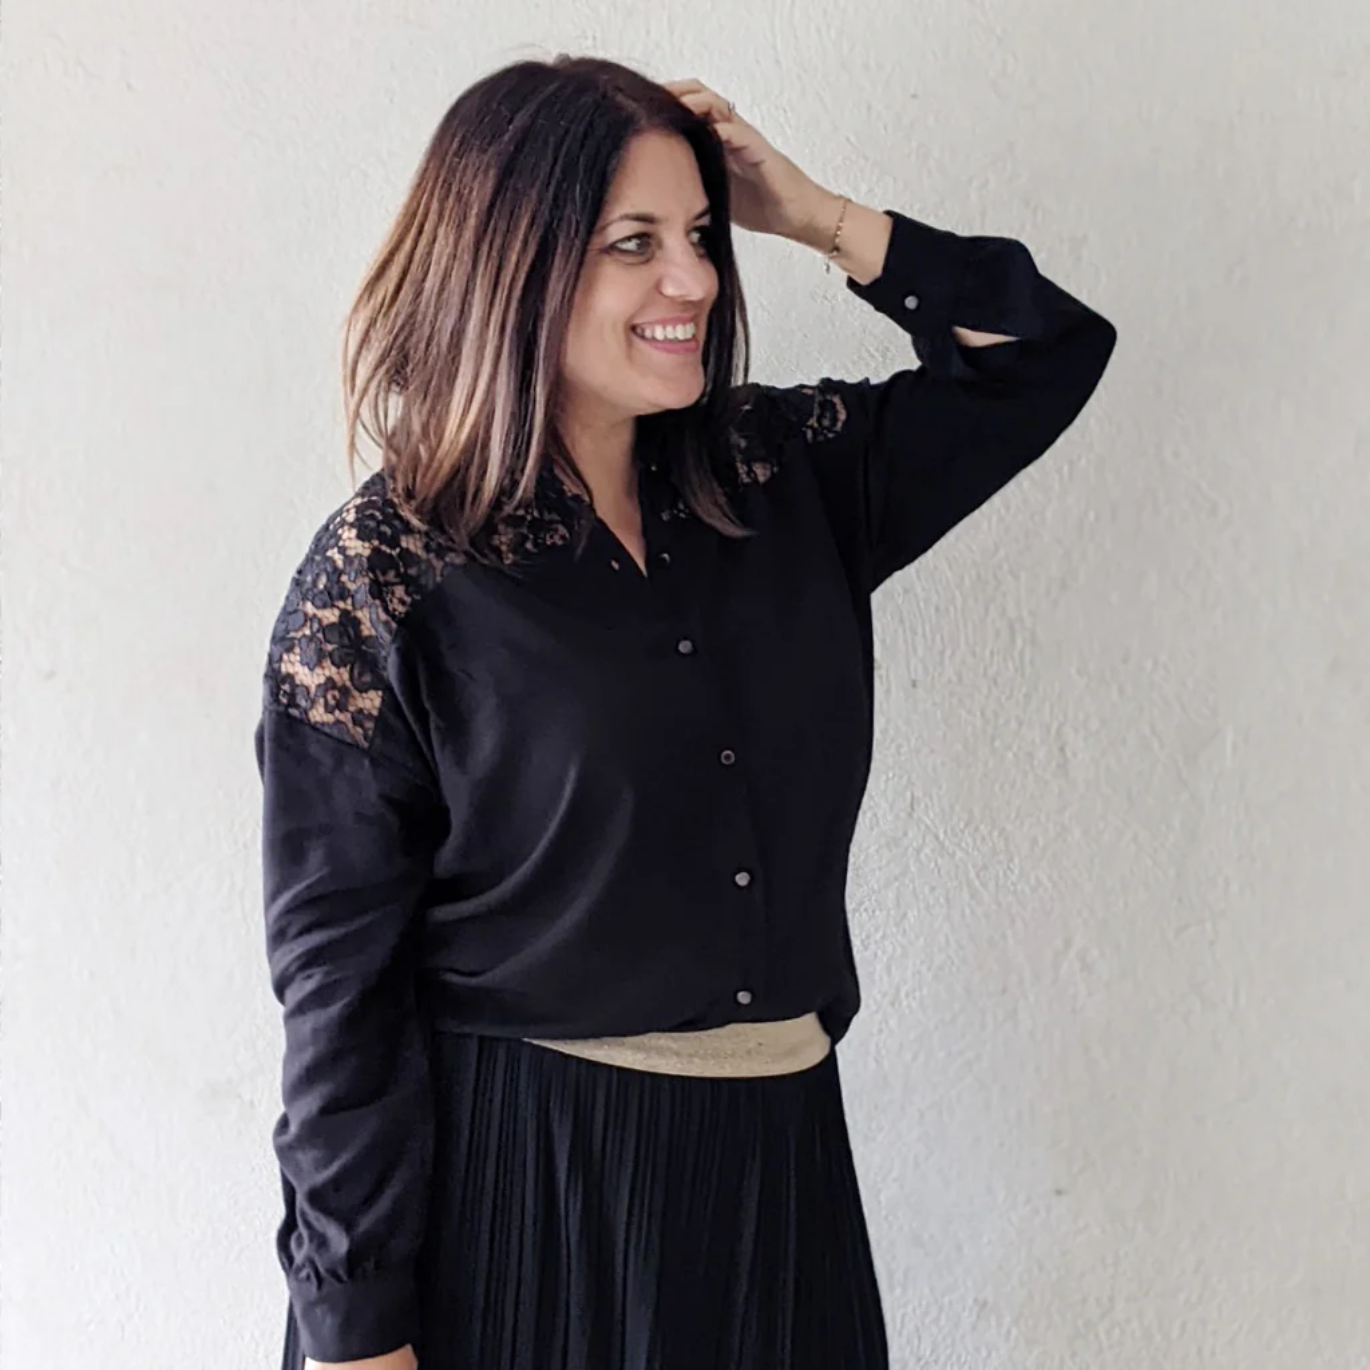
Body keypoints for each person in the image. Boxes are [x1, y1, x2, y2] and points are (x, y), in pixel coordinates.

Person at [254, 53, 1117, 1370]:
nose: (697, 281)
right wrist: (354, 1332)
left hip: (779, 1183)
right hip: (523, 1196)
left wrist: (816, 217)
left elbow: (1044, 355)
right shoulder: (383, 576)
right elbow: (338, 990)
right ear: (511, 263)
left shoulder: (781, 479)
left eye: (703, 236)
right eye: (635, 243)